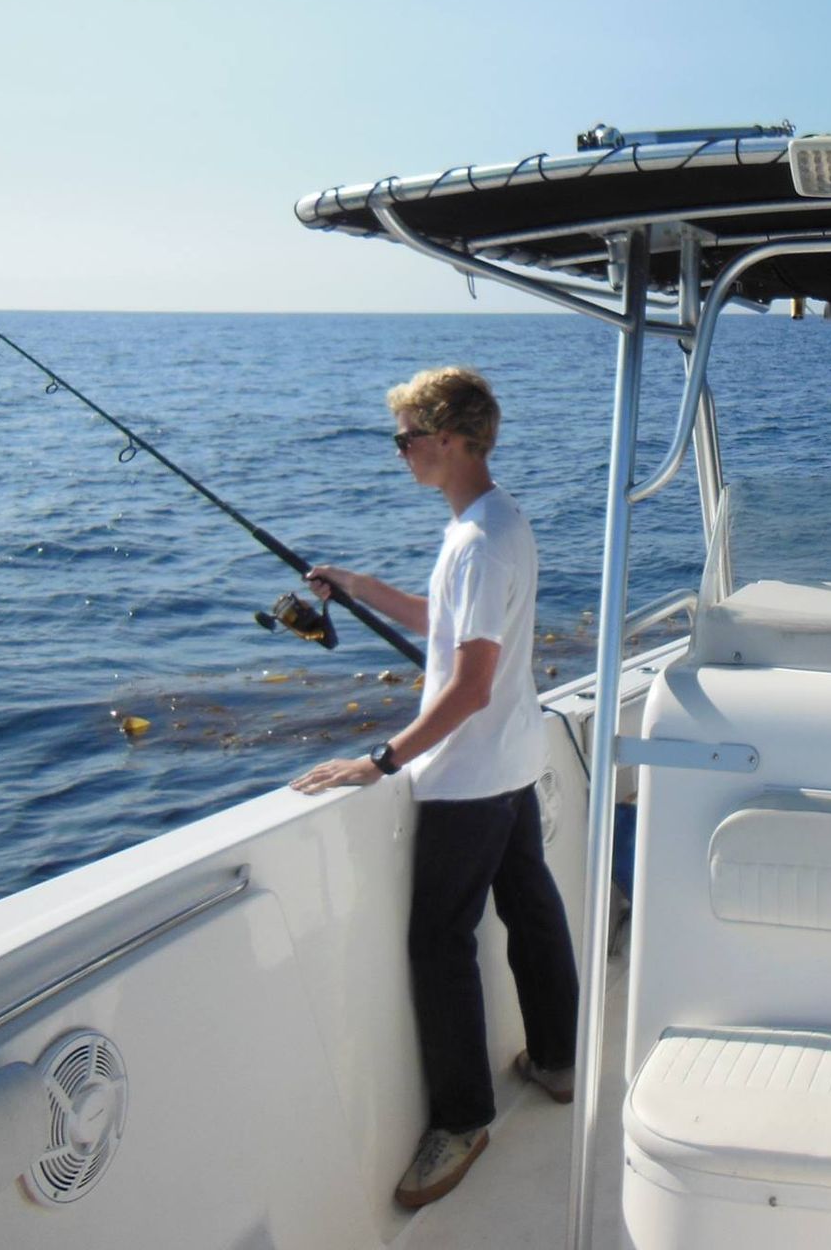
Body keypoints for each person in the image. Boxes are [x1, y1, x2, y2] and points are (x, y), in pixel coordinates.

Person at [290, 367, 579, 1211]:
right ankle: (557, 1060)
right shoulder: (490, 524)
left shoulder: (482, 540)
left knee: (438, 943)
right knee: (531, 907)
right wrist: (354, 584)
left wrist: (379, 762)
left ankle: (463, 1119)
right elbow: (441, 622)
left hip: (470, 777)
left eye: (409, 437)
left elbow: (470, 684)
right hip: (512, 760)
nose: (402, 451)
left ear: (450, 439)